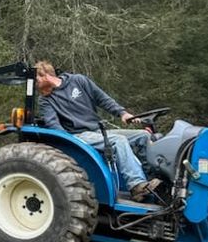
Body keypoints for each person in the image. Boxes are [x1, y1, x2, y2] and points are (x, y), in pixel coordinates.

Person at [34, 60, 162, 202]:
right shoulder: (45, 100)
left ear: (45, 74)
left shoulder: (78, 81)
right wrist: (70, 143)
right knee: (118, 141)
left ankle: (153, 181)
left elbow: (102, 98)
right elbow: (54, 126)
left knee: (143, 136)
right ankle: (136, 186)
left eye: (36, 79)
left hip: (97, 131)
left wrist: (122, 113)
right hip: (78, 136)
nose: (35, 83)